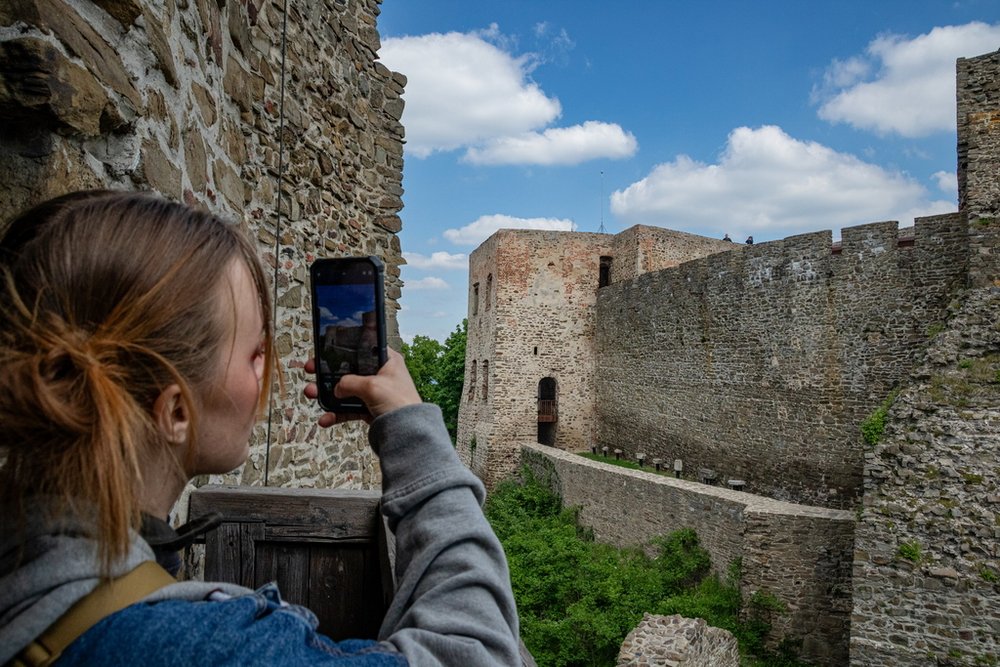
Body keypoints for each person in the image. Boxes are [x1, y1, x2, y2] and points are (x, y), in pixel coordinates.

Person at [0, 191, 520, 666]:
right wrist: (411, 426)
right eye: (254, 354)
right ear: (177, 412)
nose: (268, 369)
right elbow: (477, 648)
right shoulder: (208, 649)